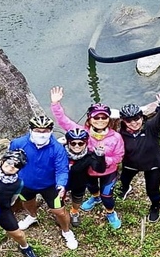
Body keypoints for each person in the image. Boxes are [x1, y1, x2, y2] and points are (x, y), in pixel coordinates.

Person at [50, 86, 125, 229]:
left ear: (109, 119)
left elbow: (119, 156)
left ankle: (110, 213)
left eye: (104, 117)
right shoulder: (82, 132)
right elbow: (63, 121)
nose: (100, 120)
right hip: (88, 171)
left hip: (108, 172)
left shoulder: (116, 137)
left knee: (107, 195)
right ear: (90, 119)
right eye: (96, 117)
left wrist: (102, 158)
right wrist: (55, 104)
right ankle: (95, 198)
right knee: (91, 187)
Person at [10, 114, 78, 250]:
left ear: (51, 131)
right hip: (25, 184)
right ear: (30, 130)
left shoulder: (57, 148)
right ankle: (32, 216)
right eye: (38, 131)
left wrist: (61, 185)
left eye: (45, 131)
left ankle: (66, 231)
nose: (41, 134)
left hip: (50, 186)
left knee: (59, 211)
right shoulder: (18, 143)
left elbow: (62, 170)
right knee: (27, 202)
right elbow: (10, 161)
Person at [118, 94, 160, 223]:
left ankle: (155, 206)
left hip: (153, 164)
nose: (134, 123)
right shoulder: (120, 133)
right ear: (123, 121)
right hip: (130, 163)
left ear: (142, 117)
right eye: (129, 120)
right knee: (124, 179)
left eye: (137, 118)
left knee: (152, 189)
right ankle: (125, 188)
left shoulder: (151, 127)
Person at [62, 127, 107, 227]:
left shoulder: (89, 155)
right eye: (73, 143)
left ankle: (74, 212)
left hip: (79, 182)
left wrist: (100, 156)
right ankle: (62, 213)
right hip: (61, 183)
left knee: (77, 199)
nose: (77, 146)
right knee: (59, 199)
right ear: (68, 143)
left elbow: (100, 169)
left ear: (86, 143)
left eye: (80, 143)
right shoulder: (60, 152)